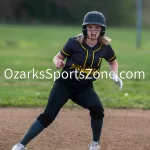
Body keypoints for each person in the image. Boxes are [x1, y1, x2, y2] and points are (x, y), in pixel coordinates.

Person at [11, 11, 123, 150]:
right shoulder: (74, 43)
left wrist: (115, 75)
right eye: (90, 27)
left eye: (97, 27)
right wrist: (57, 62)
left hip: (84, 88)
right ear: (84, 28)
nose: (93, 31)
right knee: (48, 115)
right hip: (64, 84)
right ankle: (21, 145)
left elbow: (113, 62)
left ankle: (95, 144)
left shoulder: (105, 48)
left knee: (97, 109)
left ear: (102, 29)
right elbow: (57, 57)